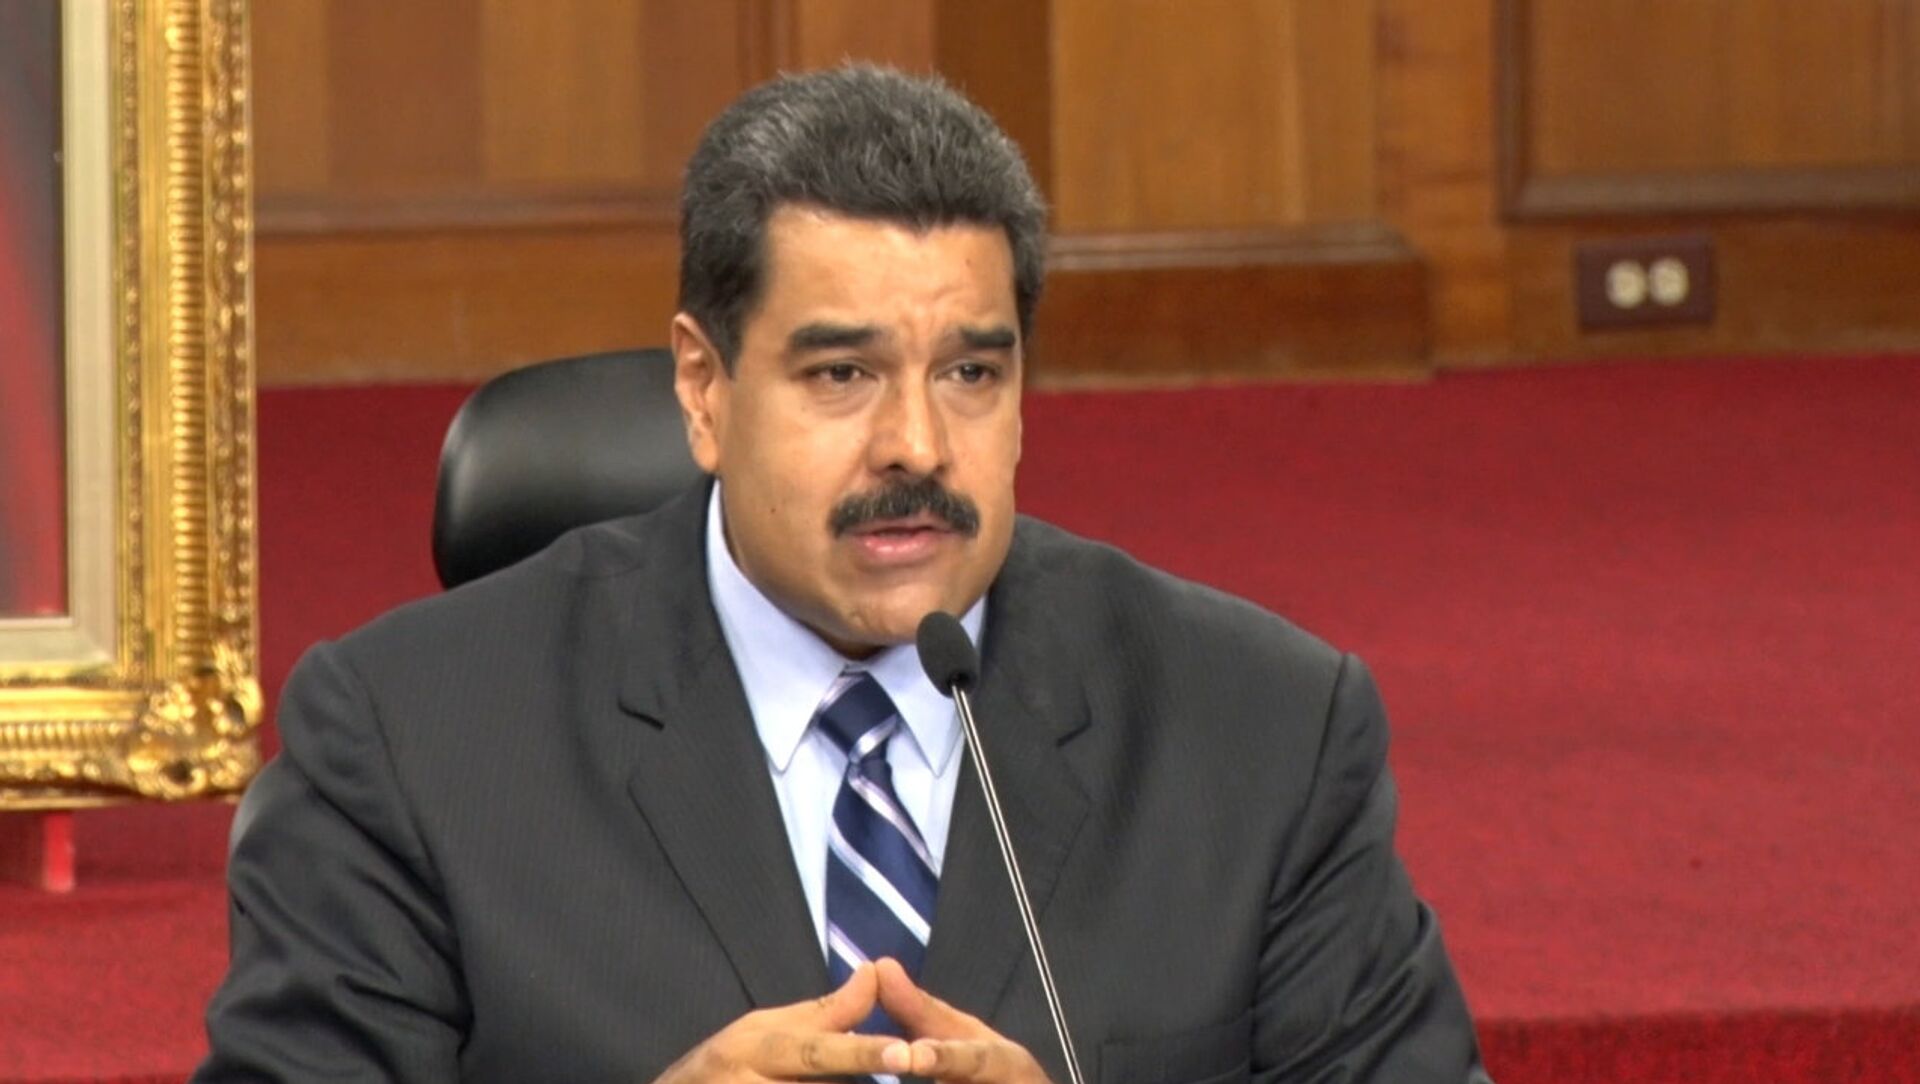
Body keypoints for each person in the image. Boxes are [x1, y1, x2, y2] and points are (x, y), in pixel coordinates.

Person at [198, 65, 1489, 1083]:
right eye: (842, 373)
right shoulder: (412, 742)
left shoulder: (1263, 733)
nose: (918, 445)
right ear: (703, 389)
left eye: (970, 372)